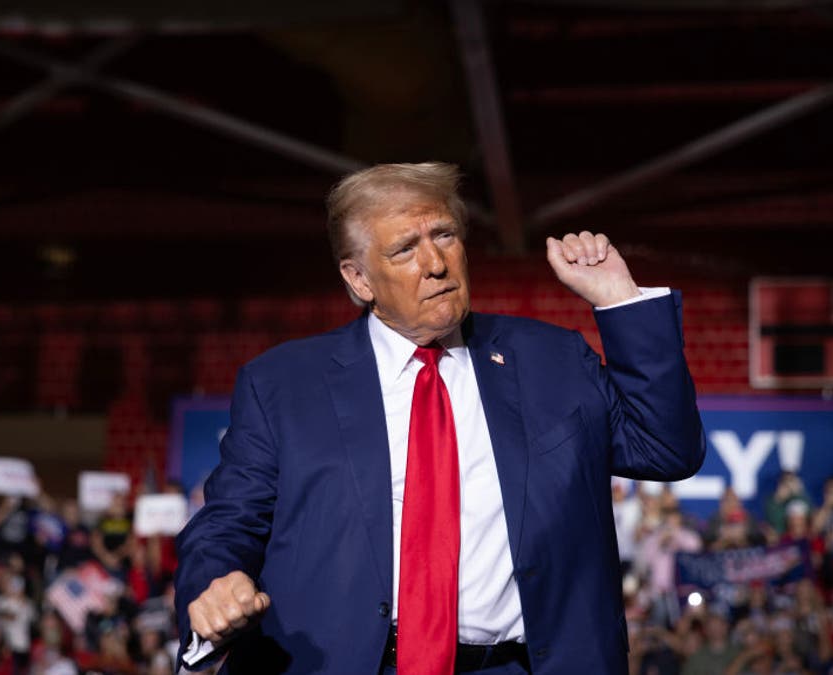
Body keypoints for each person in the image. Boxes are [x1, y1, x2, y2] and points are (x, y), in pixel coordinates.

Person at [173, 162, 706, 674]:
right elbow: (228, 522)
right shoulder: (283, 384)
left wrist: (621, 303)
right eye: (406, 248)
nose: (435, 263)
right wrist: (215, 583)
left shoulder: (554, 360)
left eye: (445, 236)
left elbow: (666, 448)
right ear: (359, 279)